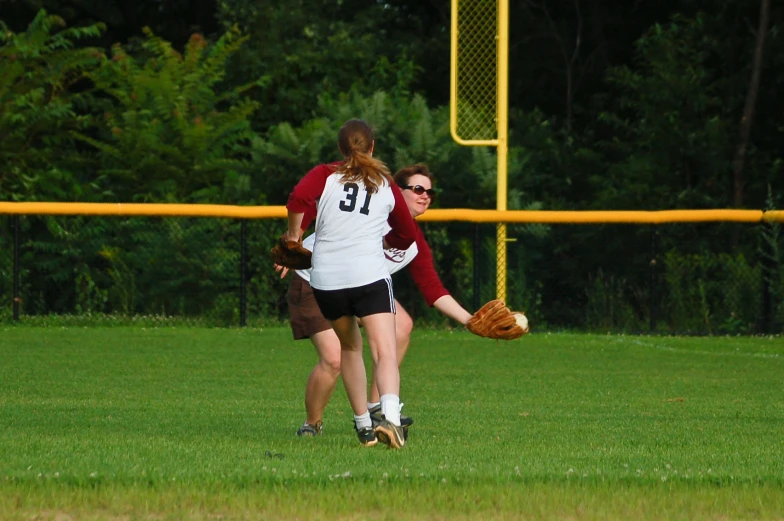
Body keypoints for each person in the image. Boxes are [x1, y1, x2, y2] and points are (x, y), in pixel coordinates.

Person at [282, 163, 474, 441]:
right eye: (418, 189)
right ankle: (312, 423)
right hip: (313, 280)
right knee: (334, 359)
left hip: (359, 285)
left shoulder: (413, 240)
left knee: (402, 326)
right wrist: (294, 239)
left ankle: (376, 408)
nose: (425, 196)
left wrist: (471, 321)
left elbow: (433, 290)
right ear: (397, 190)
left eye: (430, 193)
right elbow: (317, 205)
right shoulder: (376, 204)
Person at [283, 118, 416, 449]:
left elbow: (298, 198)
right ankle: (391, 420)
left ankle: (363, 425)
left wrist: (293, 236)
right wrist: (388, 242)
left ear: (341, 149)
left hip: (327, 280)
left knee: (349, 348)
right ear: (372, 147)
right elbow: (406, 233)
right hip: (368, 276)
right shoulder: (384, 183)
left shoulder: (324, 175)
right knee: (384, 351)